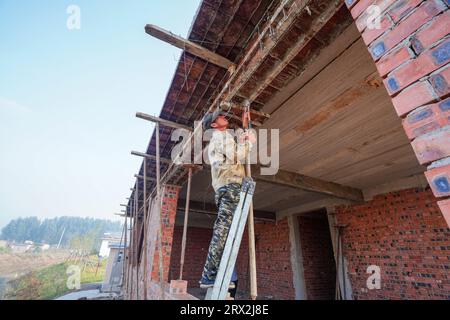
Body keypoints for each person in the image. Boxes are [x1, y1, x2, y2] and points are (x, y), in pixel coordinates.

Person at [199, 109, 255, 291]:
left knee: (224, 229)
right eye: (220, 117)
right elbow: (238, 155)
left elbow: (233, 154)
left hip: (226, 185)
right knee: (223, 230)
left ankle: (216, 274)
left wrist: (244, 128)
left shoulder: (221, 137)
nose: (224, 117)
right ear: (214, 124)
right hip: (231, 185)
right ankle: (209, 275)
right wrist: (250, 143)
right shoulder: (220, 137)